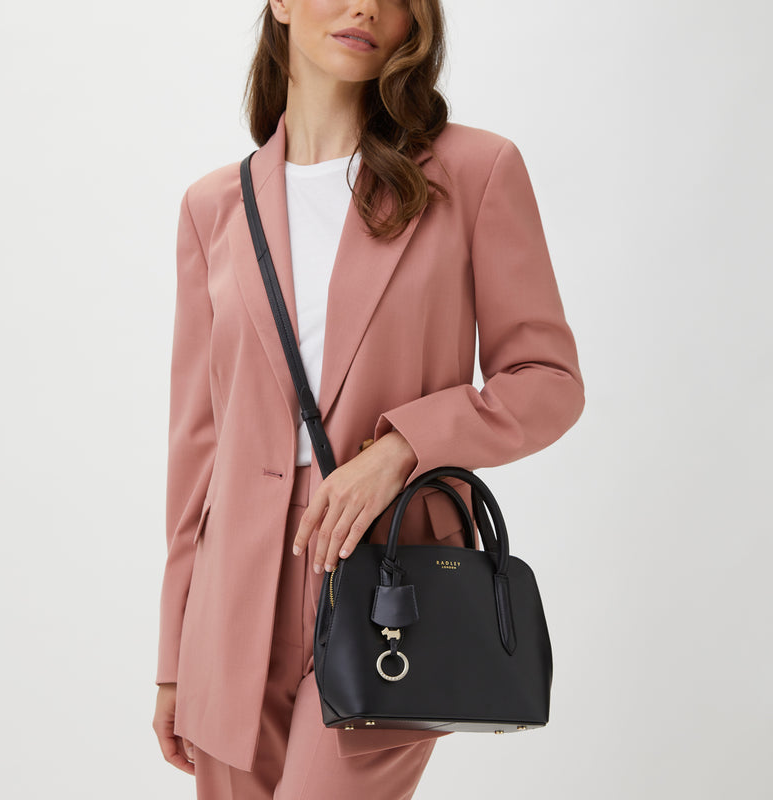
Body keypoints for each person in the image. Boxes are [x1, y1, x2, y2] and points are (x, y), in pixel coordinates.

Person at [151, 0, 585, 797]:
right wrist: (173, 655)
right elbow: (197, 445)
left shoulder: (474, 171)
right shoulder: (213, 207)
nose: (367, 8)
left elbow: (547, 381)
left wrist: (403, 448)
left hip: (390, 577)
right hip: (231, 599)